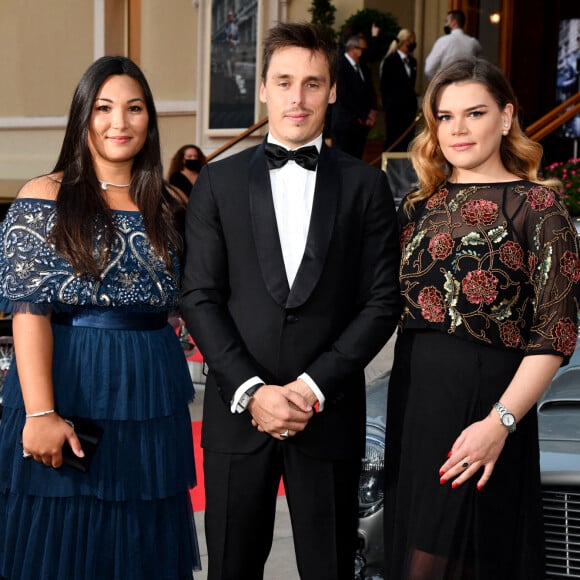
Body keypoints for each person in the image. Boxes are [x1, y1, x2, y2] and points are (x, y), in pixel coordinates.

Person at [180, 22, 401, 580]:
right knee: (230, 568)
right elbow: (200, 296)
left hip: (327, 413)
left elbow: (381, 302)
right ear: (263, 89)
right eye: (283, 82)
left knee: (329, 569)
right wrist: (252, 390)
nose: (297, 98)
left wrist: (310, 387)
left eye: (311, 83)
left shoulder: (365, 186)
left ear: (332, 90)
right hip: (237, 415)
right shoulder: (218, 182)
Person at [0, 56, 201, 579]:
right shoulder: (43, 196)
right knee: (60, 540)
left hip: (152, 395)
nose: (120, 122)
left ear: (149, 121)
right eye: (104, 108)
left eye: (134, 109)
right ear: (82, 116)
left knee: (142, 540)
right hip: (70, 383)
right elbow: (29, 312)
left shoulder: (166, 203)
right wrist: (41, 414)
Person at [384, 57, 580, 579]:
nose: (458, 129)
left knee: (452, 559)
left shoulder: (539, 207)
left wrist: (501, 422)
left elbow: (555, 335)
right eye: (445, 117)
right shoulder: (417, 205)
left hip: (486, 404)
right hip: (416, 400)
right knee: (415, 554)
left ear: (507, 115)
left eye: (474, 113)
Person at [330, 34, 378, 159]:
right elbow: (345, 96)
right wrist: (364, 115)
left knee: (357, 162)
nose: (364, 52)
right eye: (362, 49)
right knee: (342, 163)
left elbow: (370, 90)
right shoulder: (340, 66)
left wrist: (372, 111)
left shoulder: (363, 66)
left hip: (360, 127)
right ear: (352, 48)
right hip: (345, 125)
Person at [380, 28, 418, 152]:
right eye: (412, 40)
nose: (413, 43)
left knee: (409, 141)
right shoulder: (390, 61)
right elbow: (385, 87)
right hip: (395, 110)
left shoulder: (412, 62)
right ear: (405, 41)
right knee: (394, 141)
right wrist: (388, 107)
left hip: (409, 110)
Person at [424, 10, 483, 79]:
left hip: (447, 84)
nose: (445, 25)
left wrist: (440, 81)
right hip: (468, 84)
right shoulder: (473, 43)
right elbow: (481, 68)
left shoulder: (443, 41)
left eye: (447, 21)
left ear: (454, 22)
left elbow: (429, 69)